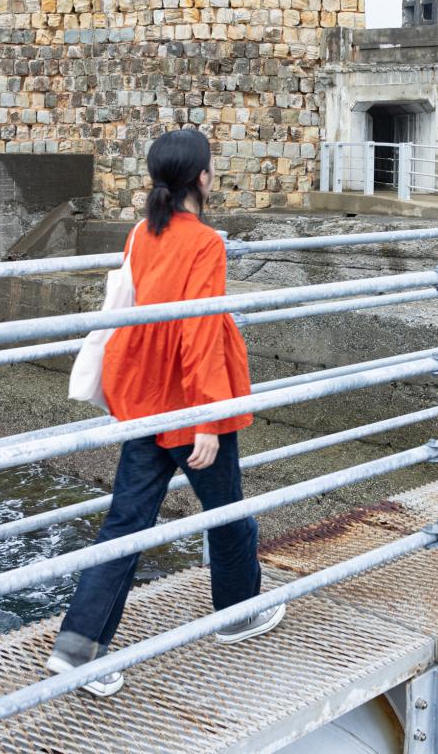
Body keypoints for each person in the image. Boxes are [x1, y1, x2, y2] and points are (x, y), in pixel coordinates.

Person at [48, 128, 280, 695]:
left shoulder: (139, 233)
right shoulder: (204, 242)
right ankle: (238, 613)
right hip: (188, 400)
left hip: (143, 397)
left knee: (126, 524)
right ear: (202, 178)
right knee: (227, 517)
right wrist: (205, 418)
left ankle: (78, 647)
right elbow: (199, 329)